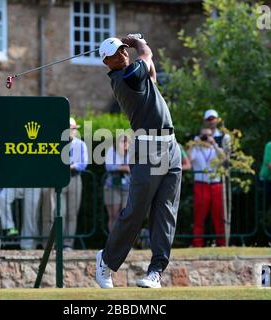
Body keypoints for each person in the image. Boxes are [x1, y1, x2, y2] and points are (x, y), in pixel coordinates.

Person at [95, 35, 182, 289]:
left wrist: (133, 45)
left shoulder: (137, 75)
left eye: (123, 50)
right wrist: (136, 41)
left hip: (171, 145)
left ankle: (156, 272)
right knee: (136, 210)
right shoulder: (126, 77)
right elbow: (147, 55)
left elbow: (152, 75)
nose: (123, 54)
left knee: (166, 212)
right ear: (106, 62)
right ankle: (106, 261)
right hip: (148, 146)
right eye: (117, 53)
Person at [41, 117, 88, 250]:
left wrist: (71, 166)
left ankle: (68, 244)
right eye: (69, 129)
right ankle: (53, 242)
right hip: (59, 180)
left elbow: (84, 163)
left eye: (73, 129)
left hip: (74, 178)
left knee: (72, 213)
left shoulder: (80, 144)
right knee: (56, 212)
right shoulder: (57, 143)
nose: (71, 131)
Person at [188, 127, 226, 247]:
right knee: (199, 216)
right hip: (201, 185)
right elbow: (188, 159)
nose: (206, 137)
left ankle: (222, 243)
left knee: (219, 216)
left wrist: (214, 143)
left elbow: (224, 160)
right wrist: (195, 143)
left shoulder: (216, 149)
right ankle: (197, 243)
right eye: (204, 135)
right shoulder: (196, 149)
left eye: (209, 135)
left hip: (215, 185)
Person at [104, 134, 131, 232]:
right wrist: (124, 167)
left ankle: (125, 243)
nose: (124, 144)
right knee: (114, 215)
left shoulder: (131, 152)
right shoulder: (111, 151)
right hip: (112, 186)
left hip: (127, 187)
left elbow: (134, 167)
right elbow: (109, 167)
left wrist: (119, 166)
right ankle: (113, 243)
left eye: (126, 141)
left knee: (126, 215)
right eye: (122, 141)